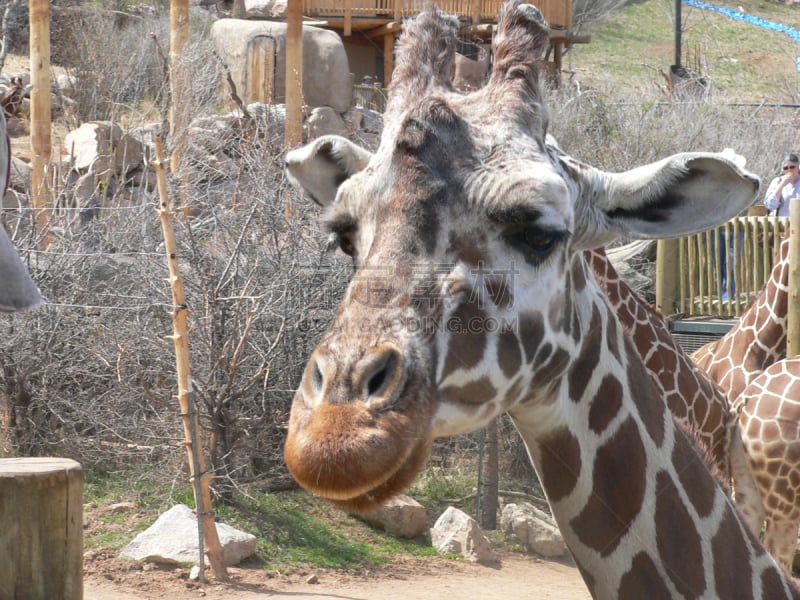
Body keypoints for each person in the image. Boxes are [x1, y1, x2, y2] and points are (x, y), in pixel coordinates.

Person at [763, 153, 800, 217]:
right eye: (786, 168)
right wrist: (782, 185)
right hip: (782, 224)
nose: (789, 170)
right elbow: (770, 205)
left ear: (798, 167)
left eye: (792, 167)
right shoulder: (777, 181)